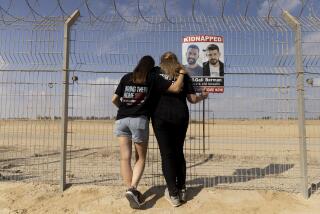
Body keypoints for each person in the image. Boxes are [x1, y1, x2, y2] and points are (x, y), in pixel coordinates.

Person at [112, 55, 187, 209]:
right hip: (139, 120)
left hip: (121, 120)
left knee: (125, 158)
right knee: (140, 158)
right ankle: (133, 188)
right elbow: (175, 88)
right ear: (152, 68)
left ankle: (130, 190)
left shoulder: (126, 77)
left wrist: (125, 109)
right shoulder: (153, 78)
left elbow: (114, 99)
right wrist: (182, 74)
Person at [151, 52, 209, 207]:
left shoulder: (156, 73)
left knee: (167, 155)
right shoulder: (184, 74)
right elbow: (192, 99)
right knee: (178, 152)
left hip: (160, 118)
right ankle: (181, 188)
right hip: (179, 117)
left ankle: (174, 194)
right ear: (176, 61)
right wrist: (203, 96)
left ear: (162, 61)